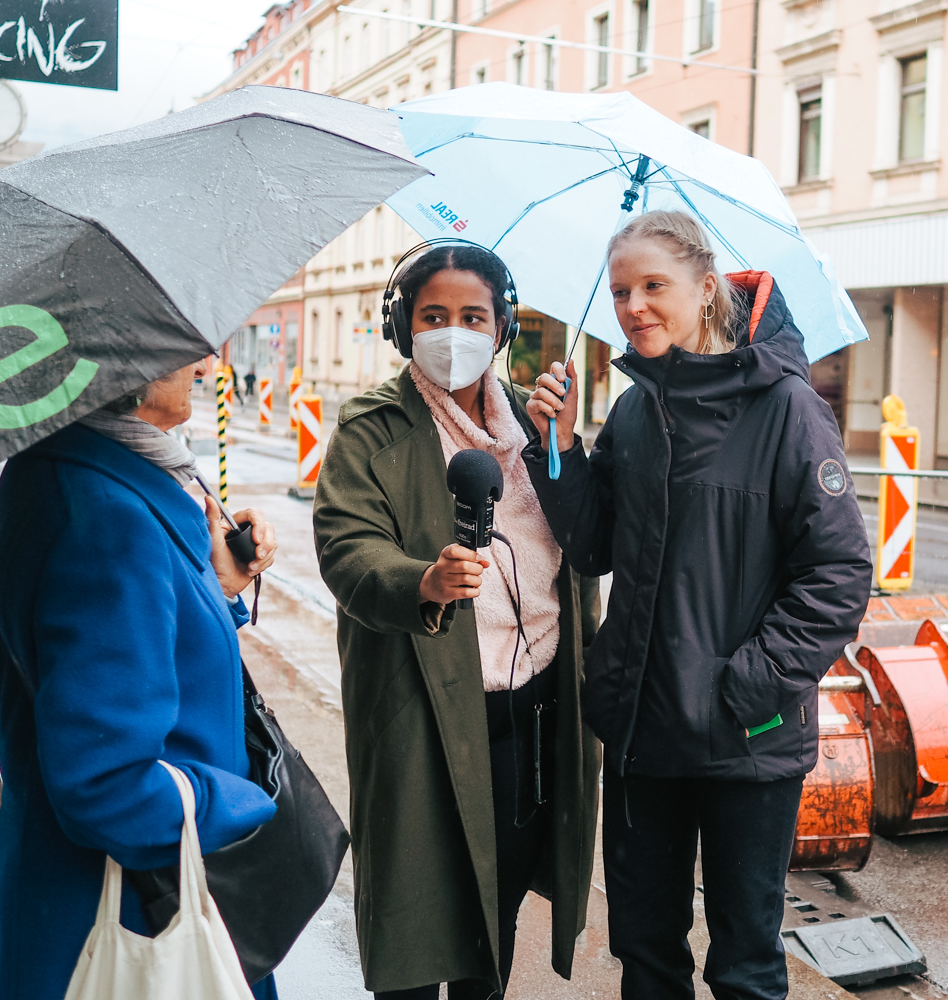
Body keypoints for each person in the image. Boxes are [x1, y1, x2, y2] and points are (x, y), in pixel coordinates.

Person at [525, 210, 873, 1000]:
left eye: (654, 285)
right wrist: (562, 448)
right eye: (621, 291)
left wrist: (742, 689)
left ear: (707, 287)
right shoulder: (636, 409)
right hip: (644, 734)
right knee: (646, 953)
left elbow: (839, 572)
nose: (634, 306)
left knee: (745, 964)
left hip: (746, 739)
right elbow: (594, 548)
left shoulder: (787, 409)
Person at [312, 243, 601, 999]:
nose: (453, 333)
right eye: (433, 315)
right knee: (413, 926)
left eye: (473, 316)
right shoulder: (370, 428)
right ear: (401, 326)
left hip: (529, 719)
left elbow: (588, 545)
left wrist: (566, 447)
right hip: (422, 717)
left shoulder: (538, 427)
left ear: (503, 327)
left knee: (491, 929)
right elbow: (346, 548)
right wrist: (425, 582)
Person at [0, 359, 282, 1000]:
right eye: (184, 348)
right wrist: (242, 805)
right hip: (128, 918)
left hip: (83, 900)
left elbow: (136, 643)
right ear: (122, 361)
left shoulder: (69, 470)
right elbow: (108, 785)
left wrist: (218, 587)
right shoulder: (106, 513)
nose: (205, 362)